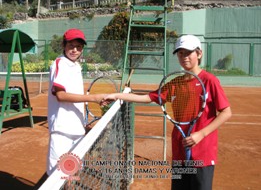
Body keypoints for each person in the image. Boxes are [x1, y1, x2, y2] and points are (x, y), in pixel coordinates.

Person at [104, 34, 232, 190]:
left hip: (202, 153)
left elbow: (226, 112)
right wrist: (117, 95)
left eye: (188, 52)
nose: (184, 57)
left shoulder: (209, 80)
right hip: (180, 151)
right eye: (180, 53)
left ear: (199, 54)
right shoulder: (175, 83)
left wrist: (201, 134)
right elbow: (147, 97)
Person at [47, 28, 107, 176]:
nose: (75, 50)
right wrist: (93, 98)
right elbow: (61, 95)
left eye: (79, 47)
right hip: (62, 131)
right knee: (58, 176)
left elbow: (75, 97)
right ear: (63, 45)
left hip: (76, 129)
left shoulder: (76, 66)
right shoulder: (60, 63)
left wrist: (82, 121)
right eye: (71, 46)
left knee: (73, 173)